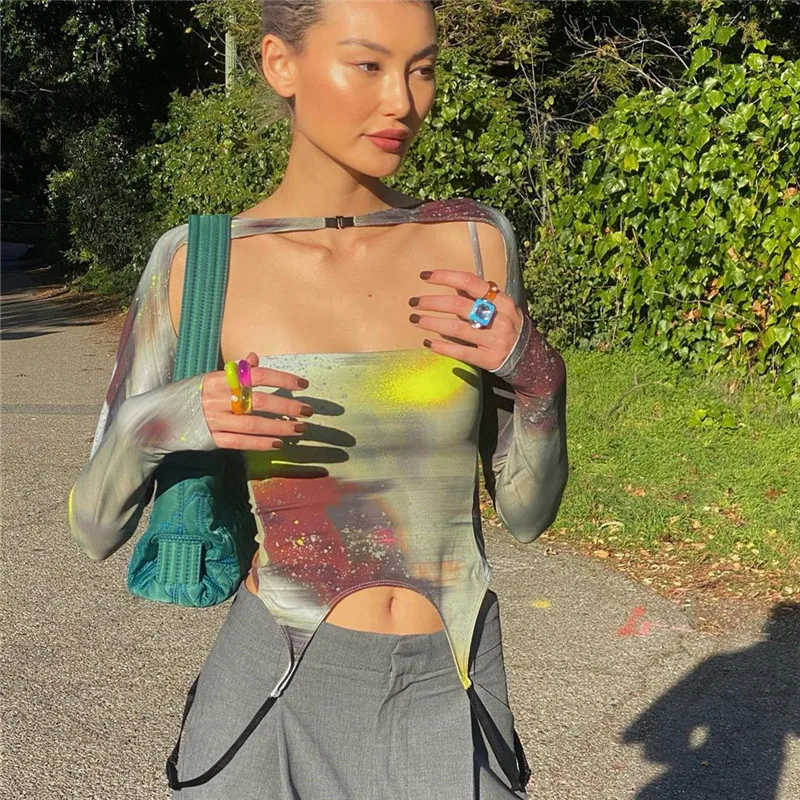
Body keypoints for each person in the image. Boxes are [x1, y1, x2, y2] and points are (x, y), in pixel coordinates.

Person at [66, 0, 569, 797]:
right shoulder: (200, 263)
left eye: (422, 69)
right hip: (274, 692)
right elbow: (95, 526)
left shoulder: (476, 244)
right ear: (280, 63)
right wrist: (171, 418)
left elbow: (528, 516)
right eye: (368, 65)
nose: (402, 101)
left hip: (451, 681)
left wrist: (539, 378)